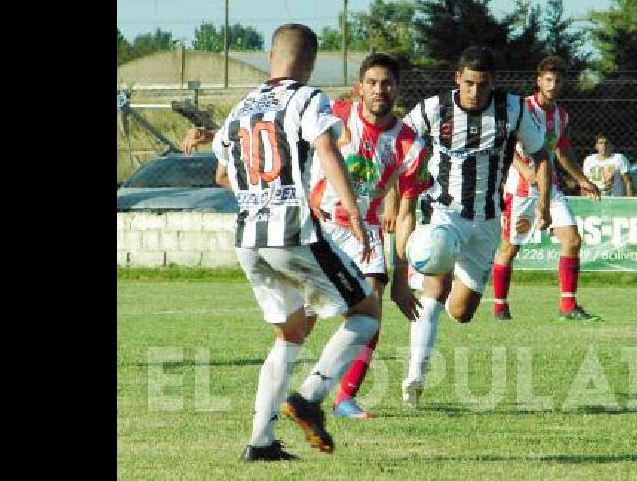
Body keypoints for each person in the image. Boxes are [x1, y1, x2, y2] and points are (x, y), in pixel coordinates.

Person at [179, 23, 380, 462]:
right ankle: (309, 399)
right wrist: (356, 215)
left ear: (272, 58)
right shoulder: (309, 98)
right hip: (291, 232)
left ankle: (260, 442)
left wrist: (259, 195)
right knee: (366, 312)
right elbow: (326, 149)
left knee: (290, 334)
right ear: (309, 62)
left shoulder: (240, 109)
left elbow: (221, 176)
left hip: (249, 237)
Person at [389, 45, 550, 407]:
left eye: (483, 84)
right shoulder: (433, 108)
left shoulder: (513, 109)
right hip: (443, 212)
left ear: (493, 83)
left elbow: (540, 154)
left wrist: (542, 203)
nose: (475, 92)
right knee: (435, 290)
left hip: (489, 219)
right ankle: (415, 377)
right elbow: (399, 143)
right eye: (469, 83)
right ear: (456, 79)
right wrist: (397, 194)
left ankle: (426, 280)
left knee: (461, 313)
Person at [305, 53, 429, 420]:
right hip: (323, 224)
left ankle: (345, 398)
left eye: (387, 83)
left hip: (367, 232)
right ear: (359, 87)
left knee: (371, 310)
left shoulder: (410, 144)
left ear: (397, 89)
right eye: (372, 83)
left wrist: (403, 279)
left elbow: (407, 212)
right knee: (303, 318)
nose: (379, 90)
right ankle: (285, 389)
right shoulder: (335, 115)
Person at [491, 56, 602, 322]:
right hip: (520, 191)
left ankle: (568, 307)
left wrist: (582, 179)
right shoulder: (522, 109)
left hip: (550, 188)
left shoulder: (561, 115)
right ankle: (499, 307)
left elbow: (562, 152)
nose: (552, 85)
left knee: (573, 240)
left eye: (557, 81)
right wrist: (525, 170)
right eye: (548, 80)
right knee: (510, 247)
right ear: (538, 81)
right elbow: (506, 146)